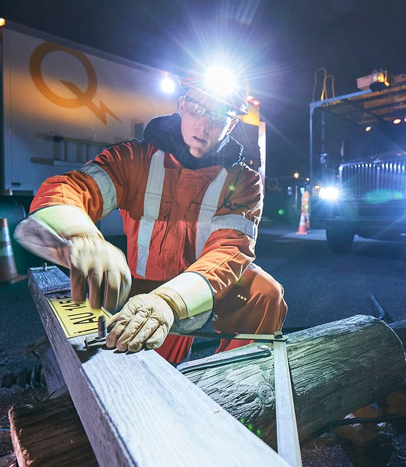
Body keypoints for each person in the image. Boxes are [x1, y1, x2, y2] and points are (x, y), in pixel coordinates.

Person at [14, 69, 287, 364]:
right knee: (147, 370)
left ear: (232, 123)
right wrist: (81, 235)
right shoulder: (135, 159)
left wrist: (169, 301)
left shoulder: (243, 180)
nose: (204, 125)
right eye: (197, 109)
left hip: (202, 284)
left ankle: (236, 379)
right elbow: (71, 188)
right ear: (182, 106)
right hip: (142, 284)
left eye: (219, 116)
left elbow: (229, 251)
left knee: (263, 293)